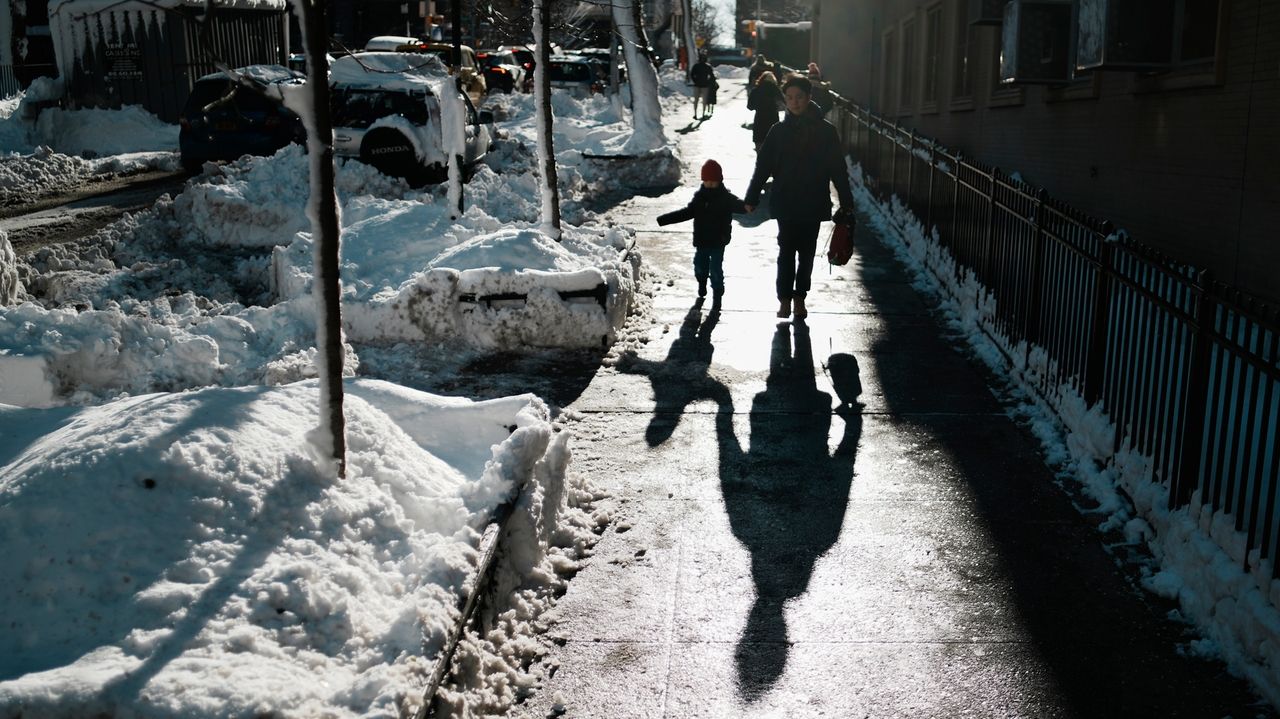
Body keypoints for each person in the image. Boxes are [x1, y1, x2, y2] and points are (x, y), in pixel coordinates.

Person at [743, 74, 854, 320]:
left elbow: (838, 169)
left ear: (808, 98)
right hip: (785, 199)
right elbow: (763, 167)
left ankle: (799, 298)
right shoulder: (778, 131)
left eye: (799, 97)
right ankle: (784, 299)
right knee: (786, 251)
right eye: (790, 97)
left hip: (813, 200)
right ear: (785, 99)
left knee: (806, 252)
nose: (794, 102)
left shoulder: (826, 132)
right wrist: (751, 196)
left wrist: (847, 202)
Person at [657, 159, 748, 303]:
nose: (710, 184)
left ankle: (718, 290)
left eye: (713, 181)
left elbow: (741, 206)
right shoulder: (699, 198)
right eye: (707, 181)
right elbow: (687, 213)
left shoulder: (726, 198)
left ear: (719, 181)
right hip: (702, 240)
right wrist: (665, 219)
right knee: (700, 265)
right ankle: (702, 283)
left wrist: (748, 205)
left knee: (716, 268)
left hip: (719, 240)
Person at [746, 71, 783, 152]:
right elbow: (784, 103)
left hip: (760, 121)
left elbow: (750, 107)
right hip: (773, 120)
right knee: (773, 148)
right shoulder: (776, 90)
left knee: (759, 148)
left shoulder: (756, 90)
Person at [689, 52, 716, 120]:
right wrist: (709, 82)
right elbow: (712, 76)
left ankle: (695, 114)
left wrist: (695, 81)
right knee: (704, 100)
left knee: (696, 100)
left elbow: (692, 74)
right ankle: (703, 113)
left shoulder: (696, 66)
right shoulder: (708, 67)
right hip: (705, 86)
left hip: (697, 85)